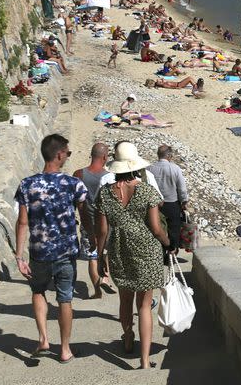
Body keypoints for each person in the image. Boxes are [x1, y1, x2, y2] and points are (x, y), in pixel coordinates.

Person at [95, 145, 173, 366]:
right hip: (147, 250)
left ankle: (128, 338)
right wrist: (168, 243)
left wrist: (101, 256)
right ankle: (145, 360)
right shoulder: (147, 191)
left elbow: (101, 231)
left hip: (119, 249)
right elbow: (157, 229)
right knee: (145, 305)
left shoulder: (104, 194)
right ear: (135, 166)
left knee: (125, 299)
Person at [14, 134, 88, 363]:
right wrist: (93, 239)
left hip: (39, 252)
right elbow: (86, 217)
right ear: (59, 154)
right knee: (65, 298)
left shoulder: (27, 184)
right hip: (66, 252)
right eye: (68, 152)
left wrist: (19, 256)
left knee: (38, 292)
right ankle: (65, 349)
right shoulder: (74, 184)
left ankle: (43, 339)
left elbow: (23, 221)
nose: (68, 156)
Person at [73, 143, 111, 299]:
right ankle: (106, 277)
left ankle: (97, 291)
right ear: (104, 157)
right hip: (106, 222)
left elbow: (75, 200)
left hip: (87, 220)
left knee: (92, 256)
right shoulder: (110, 176)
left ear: (91, 154)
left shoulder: (78, 174)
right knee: (105, 251)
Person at [148, 145, 189, 264]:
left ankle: (160, 253)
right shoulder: (175, 168)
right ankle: (172, 254)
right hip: (172, 203)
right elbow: (182, 188)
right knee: (174, 230)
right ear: (169, 156)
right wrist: (184, 201)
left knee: (157, 228)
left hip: (155, 204)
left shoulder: (150, 168)